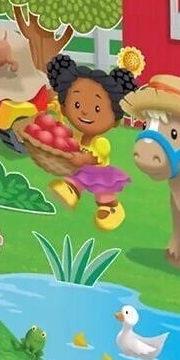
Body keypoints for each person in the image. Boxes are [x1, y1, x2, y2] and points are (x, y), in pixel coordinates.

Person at [44, 54, 138, 231]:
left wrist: (81, 159)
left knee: (103, 194)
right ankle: (70, 192)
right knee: (74, 181)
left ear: (115, 120)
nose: (85, 113)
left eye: (97, 108)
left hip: (98, 174)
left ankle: (111, 209)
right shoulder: (76, 135)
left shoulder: (100, 142)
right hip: (79, 170)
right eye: (77, 105)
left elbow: (93, 158)